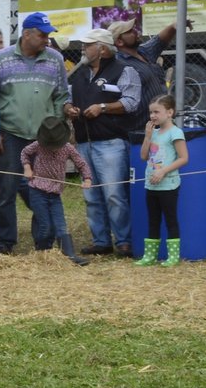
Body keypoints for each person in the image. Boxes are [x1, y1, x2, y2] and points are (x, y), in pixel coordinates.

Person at [0, 12, 69, 255]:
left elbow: (61, 95)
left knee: (44, 189)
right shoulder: (0, 60)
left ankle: (44, 242)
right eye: (43, 35)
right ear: (26, 34)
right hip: (10, 135)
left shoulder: (55, 60)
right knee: (8, 190)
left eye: (48, 35)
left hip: (44, 137)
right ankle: (5, 242)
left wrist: (57, 127)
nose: (47, 39)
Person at [63, 27, 143, 257]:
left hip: (111, 143)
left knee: (113, 194)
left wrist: (103, 107)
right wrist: (69, 108)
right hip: (84, 143)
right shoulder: (80, 74)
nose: (84, 49)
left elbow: (131, 102)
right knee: (91, 195)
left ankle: (124, 241)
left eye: (88, 45)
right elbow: (66, 98)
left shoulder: (124, 70)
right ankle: (101, 240)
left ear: (102, 48)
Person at [20, 116, 93, 265]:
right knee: (45, 226)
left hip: (55, 194)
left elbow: (82, 164)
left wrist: (87, 179)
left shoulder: (67, 148)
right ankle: (43, 254)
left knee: (60, 225)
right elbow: (25, 153)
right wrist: (27, 167)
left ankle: (69, 255)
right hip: (37, 191)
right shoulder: (38, 145)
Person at [136, 94, 188, 266]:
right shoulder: (153, 133)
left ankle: (173, 257)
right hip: (151, 185)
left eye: (157, 112)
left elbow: (183, 158)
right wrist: (147, 136)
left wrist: (163, 171)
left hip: (168, 185)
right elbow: (143, 156)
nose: (153, 116)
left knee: (170, 219)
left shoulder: (175, 133)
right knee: (153, 219)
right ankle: (150, 256)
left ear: (170, 112)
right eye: (151, 112)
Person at [109, 17, 178, 109]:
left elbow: (159, 40)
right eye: (130, 31)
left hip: (161, 117)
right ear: (119, 42)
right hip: (143, 120)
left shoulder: (143, 51)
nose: (135, 32)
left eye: (133, 29)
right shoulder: (119, 64)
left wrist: (173, 26)